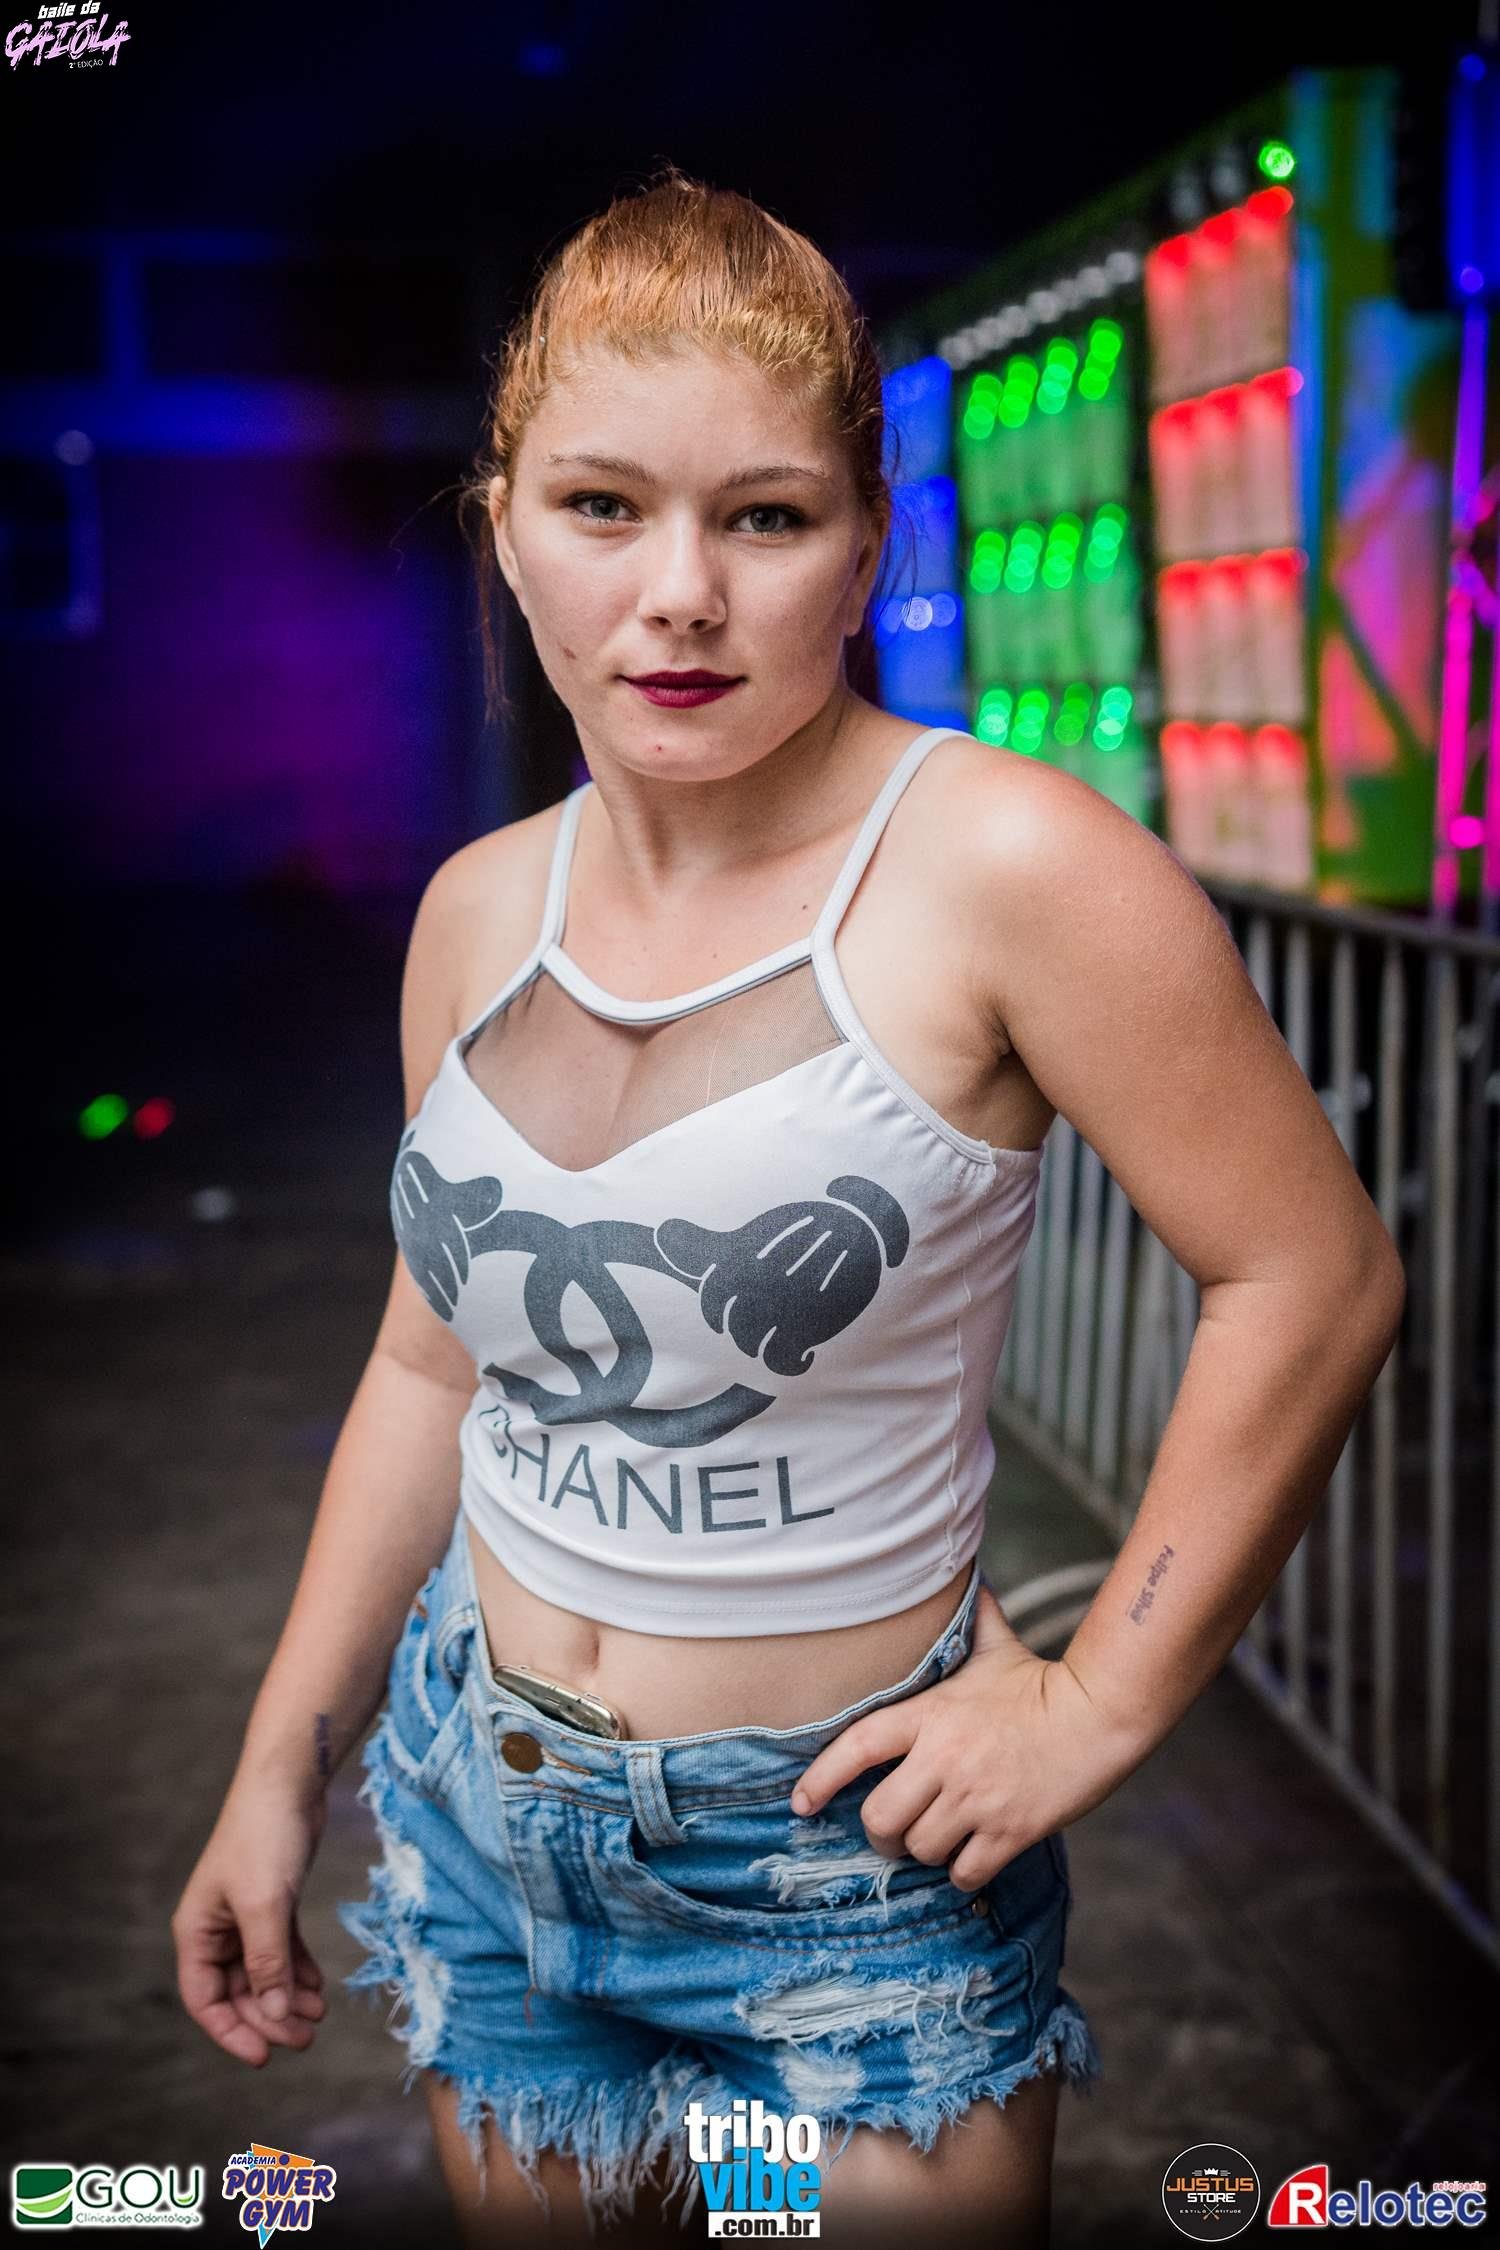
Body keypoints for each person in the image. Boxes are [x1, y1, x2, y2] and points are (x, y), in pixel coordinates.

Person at [170, 166, 1406, 2250]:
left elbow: (1313, 1272)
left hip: (836, 1863)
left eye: (764, 517)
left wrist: (1099, 1697)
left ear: (864, 548)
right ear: (505, 527)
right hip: (489, 1812)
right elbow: (427, 1367)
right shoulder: (477, 912)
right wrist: (282, 1762)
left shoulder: (1007, 867)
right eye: (603, 507)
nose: (680, 596)